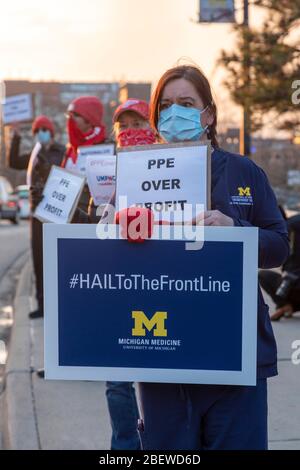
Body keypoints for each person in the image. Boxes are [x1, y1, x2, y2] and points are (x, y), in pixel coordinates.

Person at [115, 65, 289, 450]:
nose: (175, 113)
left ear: (208, 114)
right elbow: (113, 262)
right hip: (163, 350)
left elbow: (280, 245)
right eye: (166, 105)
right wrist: (120, 229)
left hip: (235, 354)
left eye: (186, 103)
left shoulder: (245, 171)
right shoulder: (136, 175)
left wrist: (236, 230)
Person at [91, 99, 156, 450]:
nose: (131, 131)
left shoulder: (172, 167)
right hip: (120, 284)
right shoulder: (105, 170)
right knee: (117, 380)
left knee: (157, 381)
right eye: (124, 125)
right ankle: (125, 446)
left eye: (138, 123)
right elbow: (91, 228)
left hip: (161, 284)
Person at [7, 116, 65, 319]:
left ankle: (58, 303)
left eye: (43, 128)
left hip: (57, 213)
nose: (40, 132)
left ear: (51, 131)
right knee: (39, 260)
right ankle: (42, 304)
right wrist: (14, 136)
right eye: (37, 129)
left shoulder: (61, 151)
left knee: (56, 261)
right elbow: (13, 162)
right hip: (37, 214)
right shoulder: (34, 154)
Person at [63, 96, 108, 220]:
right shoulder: (70, 150)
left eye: (76, 115)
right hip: (69, 217)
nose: (71, 120)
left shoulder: (106, 147)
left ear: (89, 119)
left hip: (93, 218)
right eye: (69, 115)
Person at [259, 212, 300, 321]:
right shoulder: (293, 223)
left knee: (263, 275)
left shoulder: (292, 225)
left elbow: (292, 259)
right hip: (294, 283)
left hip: (294, 283)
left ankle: (285, 305)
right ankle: (289, 306)